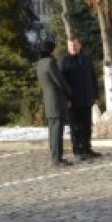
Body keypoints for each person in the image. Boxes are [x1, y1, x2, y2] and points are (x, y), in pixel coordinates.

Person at [58, 36, 101, 161]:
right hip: (72, 101)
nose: (73, 47)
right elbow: (61, 83)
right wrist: (66, 99)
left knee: (87, 126)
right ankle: (78, 151)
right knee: (76, 128)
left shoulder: (86, 59)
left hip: (87, 99)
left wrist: (96, 95)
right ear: (68, 46)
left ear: (80, 45)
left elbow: (93, 78)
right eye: (71, 45)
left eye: (75, 45)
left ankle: (87, 149)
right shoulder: (63, 61)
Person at [36, 39, 72, 167]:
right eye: (54, 49)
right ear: (50, 50)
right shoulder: (50, 62)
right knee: (57, 131)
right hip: (56, 100)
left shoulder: (40, 63)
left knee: (53, 130)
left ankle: (56, 156)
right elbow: (59, 81)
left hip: (48, 100)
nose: (56, 51)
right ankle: (57, 159)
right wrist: (69, 93)